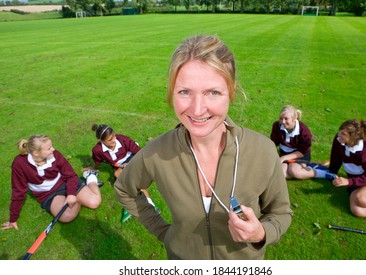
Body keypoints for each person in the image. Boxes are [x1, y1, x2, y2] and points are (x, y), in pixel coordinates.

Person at [114, 35, 292, 259]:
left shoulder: (263, 151)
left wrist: (261, 232)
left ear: (232, 91)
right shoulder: (156, 153)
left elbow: (281, 212)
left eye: (213, 92)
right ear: (171, 91)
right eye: (184, 92)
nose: (197, 110)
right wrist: (164, 232)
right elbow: (124, 189)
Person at [1, 135, 102, 230]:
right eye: (49, 148)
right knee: (67, 216)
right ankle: (77, 198)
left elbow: (70, 175)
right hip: (48, 194)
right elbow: (18, 191)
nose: (53, 149)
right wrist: (13, 219)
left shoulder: (55, 155)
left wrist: (71, 193)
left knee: (94, 203)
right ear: (36, 153)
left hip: (64, 182)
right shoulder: (19, 164)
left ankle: (91, 177)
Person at [88, 124, 159, 223]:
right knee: (119, 175)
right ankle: (137, 204)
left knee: (127, 177)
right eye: (109, 140)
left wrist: (130, 163)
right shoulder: (97, 150)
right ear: (101, 141)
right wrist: (92, 168)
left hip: (134, 159)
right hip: (121, 167)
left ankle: (149, 204)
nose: (114, 140)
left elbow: (140, 153)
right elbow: (97, 161)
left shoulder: (123, 140)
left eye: (114, 136)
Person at [328, 119, 366, 217]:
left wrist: (349, 181)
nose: (339, 134)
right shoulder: (339, 140)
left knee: (360, 198)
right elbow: (336, 157)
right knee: (358, 211)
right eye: (340, 131)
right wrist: (330, 172)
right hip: (360, 181)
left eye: (343, 133)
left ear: (353, 137)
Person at [270, 105, 335, 180]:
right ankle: (308, 167)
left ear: (294, 119)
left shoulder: (304, 130)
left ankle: (324, 173)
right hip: (284, 155)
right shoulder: (277, 125)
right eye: (281, 119)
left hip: (300, 155)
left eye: (286, 119)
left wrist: (283, 158)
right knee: (281, 174)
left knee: (294, 172)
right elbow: (273, 143)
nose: (283, 122)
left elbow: (302, 152)